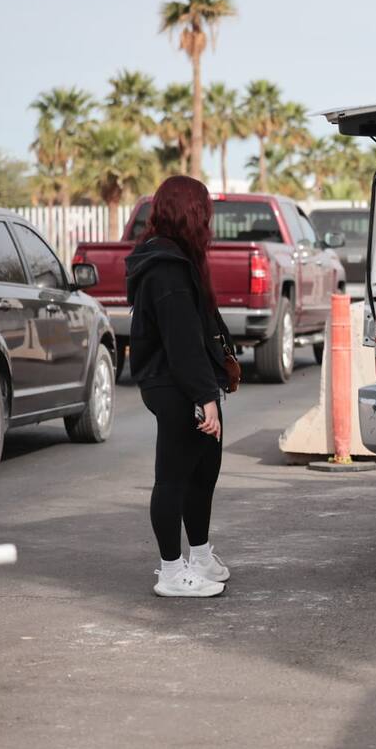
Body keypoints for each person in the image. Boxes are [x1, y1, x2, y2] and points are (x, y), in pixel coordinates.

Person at [126, 176, 236, 597]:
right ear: (191, 213)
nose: (209, 219)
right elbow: (182, 341)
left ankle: (201, 555)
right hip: (174, 384)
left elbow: (200, 328)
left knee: (203, 471)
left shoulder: (177, 258)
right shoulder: (166, 269)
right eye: (204, 211)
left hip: (188, 380)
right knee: (172, 476)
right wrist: (204, 397)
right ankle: (171, 572)